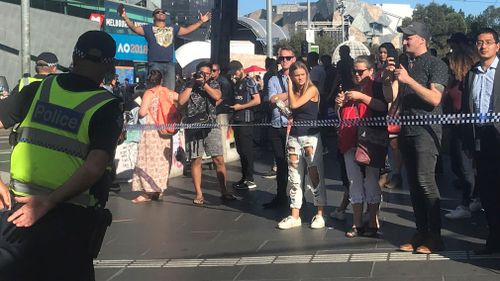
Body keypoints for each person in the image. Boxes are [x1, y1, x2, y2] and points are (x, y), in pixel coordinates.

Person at [0, 31, 123, 281]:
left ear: (73, 58)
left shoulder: (37, 90)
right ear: (109, 65)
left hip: (18, 212)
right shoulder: (106, 106)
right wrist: (49, 201)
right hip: (70, 221)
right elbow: (95, 166)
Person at [394, 22, 449, 254]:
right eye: (404, 37)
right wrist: (392, 82)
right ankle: (420, 231)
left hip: (426, 133)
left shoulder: (436, 65)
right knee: (414, 186)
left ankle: (435, 236)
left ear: (422, 39)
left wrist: (409, 81)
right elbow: (396, 97)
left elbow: (435, 98)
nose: (405, 40)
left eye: (409, 37)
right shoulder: (405, 64)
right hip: (407, 131)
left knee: (426, 182)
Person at [335, 56, 388, 237]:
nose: (357, 75)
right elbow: (341, 115)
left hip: (370, 139)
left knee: (372, 180)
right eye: (354, 71)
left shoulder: (378, 87)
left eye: (360, 71)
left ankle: (373, 222)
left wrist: (362, 97)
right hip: (349, 139)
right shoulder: (348, 89)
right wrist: (339, 104)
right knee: (353, 180)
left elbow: (383, 107)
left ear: (371, 71)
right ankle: (357, 223)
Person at [461, 28, 500, 254]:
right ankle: (494, 238)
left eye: (488, 42)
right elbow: (467, 108)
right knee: (486, 191)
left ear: (497, 45)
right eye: (479, 42)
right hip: (480, 139)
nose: (483, 46)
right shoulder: (472, 74)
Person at [277, 61, 326, 230]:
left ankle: (319, 213)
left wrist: (289, 86)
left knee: (315, 175)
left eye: (302, 75)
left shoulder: (312, 89)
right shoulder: (295, 92)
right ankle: (294, 214)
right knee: (294, 177)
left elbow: (295, 105)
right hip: (295, 136)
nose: (299, 78)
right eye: (296, 75)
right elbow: (290, 108)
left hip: (310, 137)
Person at [178, 61, 235, 205]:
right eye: (201, 73)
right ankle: (198, 193)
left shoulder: (213, 84)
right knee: (196, 160)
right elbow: (181, 101)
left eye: (206, 73)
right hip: (193, 126)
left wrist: (204, 84)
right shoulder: (187, 84)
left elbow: (217, 96)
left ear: (210, 74)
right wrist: (192, 84)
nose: (203, 75)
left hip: (211, 125)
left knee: (219, 159)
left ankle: (224, 189)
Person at [121, 6, 211, 90]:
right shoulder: (148, 28)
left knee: (170, 90)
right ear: (154, 17)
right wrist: (125, 17)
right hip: (155, 63)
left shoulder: (172, 28)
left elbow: (187, 30)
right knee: (154, 90)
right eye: (158, 12)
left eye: (163, 12)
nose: (161, 13)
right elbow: (134, 28)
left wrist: (201, 21)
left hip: (169, 64)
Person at [443, 37, 480, 219]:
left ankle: (468, 203)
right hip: (456, 129)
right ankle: (474, 199)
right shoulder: (454, 82)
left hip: (467, 129)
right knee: (459, 166)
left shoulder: (468, 83)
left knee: (467, 169)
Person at [131, 69, 178, 203]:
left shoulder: (149, 93)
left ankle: (146, 193)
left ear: (148, 81)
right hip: (165, 130)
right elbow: (181, 99)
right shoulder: (167, 92)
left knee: (147, 161)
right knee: (163, 161)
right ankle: (159, 190)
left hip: (151, 131)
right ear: (161, 80)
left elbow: (142, 112)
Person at [263, 47, 296, 208]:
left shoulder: (299, 77)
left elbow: (300, 98)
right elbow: (271, 98)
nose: (284, 61)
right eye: (282, 58)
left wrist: (280, 97)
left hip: (294, 125)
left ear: (293, 59)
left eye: (288, 58)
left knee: (296, 164)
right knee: (281, 162)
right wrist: (289, 95)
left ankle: (298, 198)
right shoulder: (273, 79)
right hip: (277, 124)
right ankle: (281, 195)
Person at [228, 60, 261, 190]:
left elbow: (257, 100)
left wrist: (241, 106)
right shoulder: (237, 83)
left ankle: (250, 178)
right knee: (240, 150)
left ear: (241, 69)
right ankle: (244, 177)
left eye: (235, 72)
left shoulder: (249, 81)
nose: (234, 75)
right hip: (237, 119)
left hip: (246, 119)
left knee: (247, 150)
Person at [212, 62, 234, 159]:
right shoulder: (212, 82)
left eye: (214, 70)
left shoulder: (223, 81)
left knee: (221, 137)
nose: (212, 73)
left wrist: (211, 106)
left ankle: (222, 159)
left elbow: (223, 97)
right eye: (211, 70)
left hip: (222, 112)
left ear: (219, 71)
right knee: (216, 138)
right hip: (216, 112)